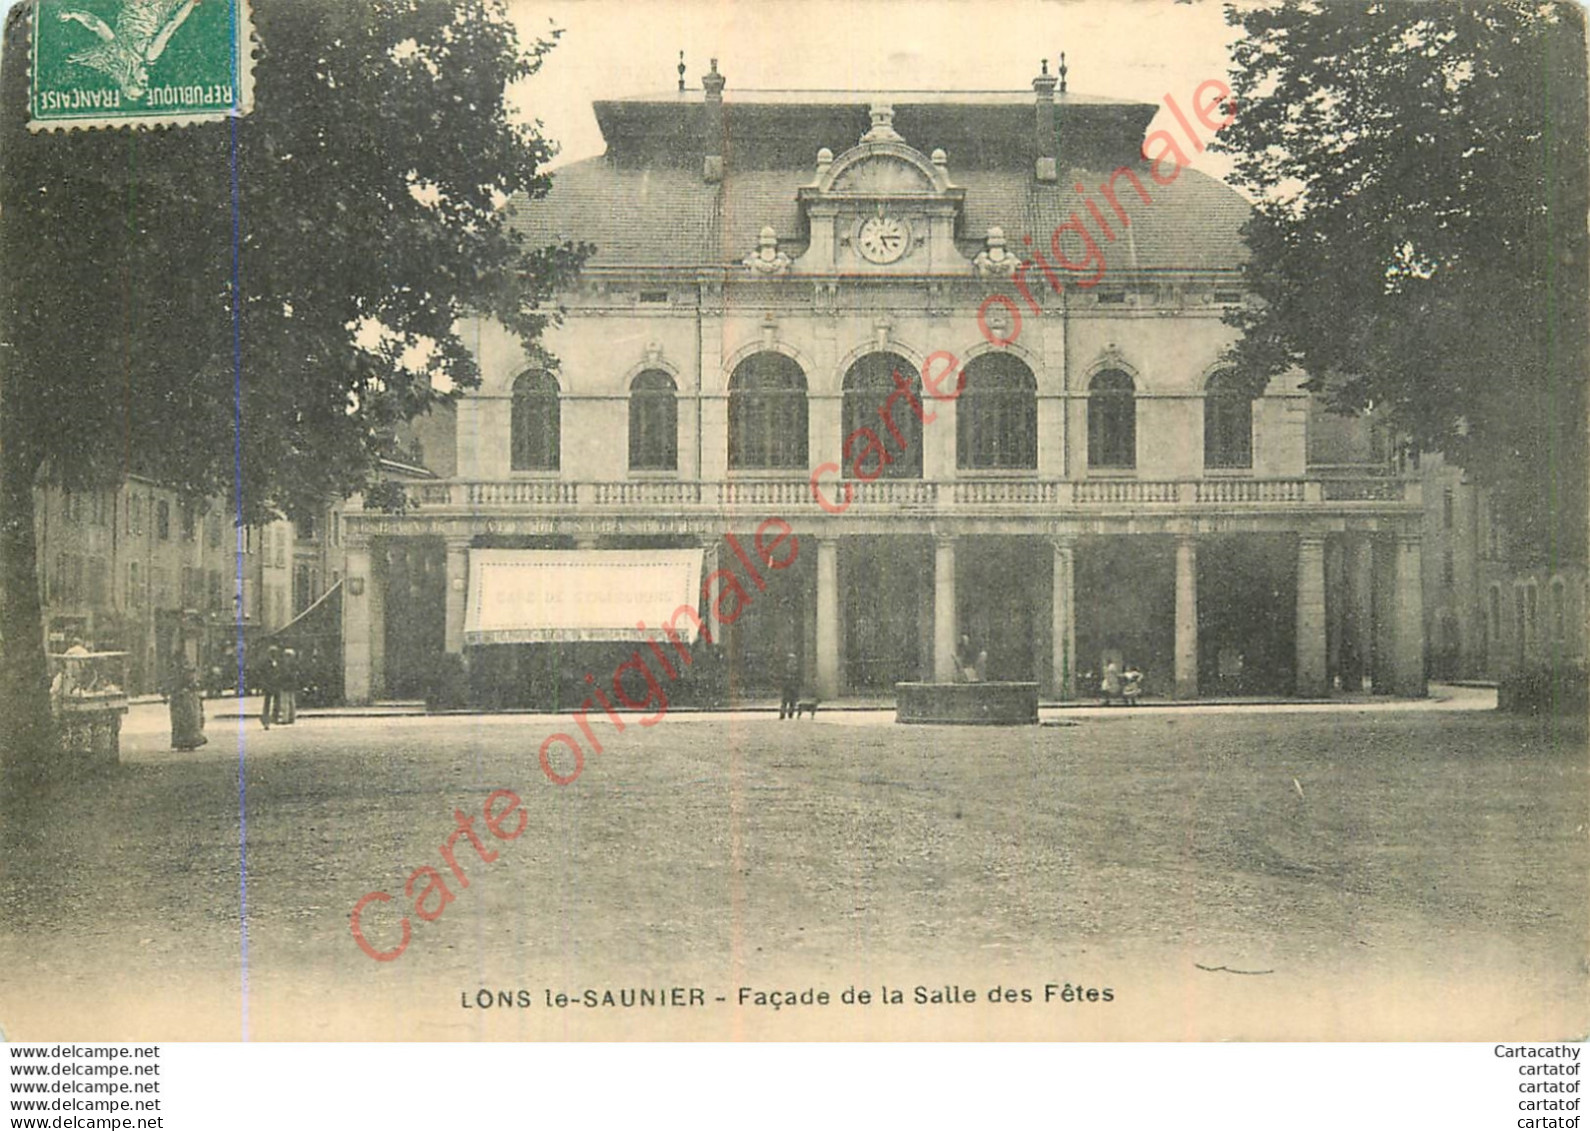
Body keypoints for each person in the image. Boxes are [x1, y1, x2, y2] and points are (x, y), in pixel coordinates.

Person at [169, 657, 208, 751]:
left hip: (188, 702)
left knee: (188, 721)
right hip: (185, 702)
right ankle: (187, 741)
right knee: (186, 721)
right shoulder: (181, 680)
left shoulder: (181, 679)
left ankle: (187, 741)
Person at [260, 645, 282, 729]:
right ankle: (266, 718)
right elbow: (263, 674)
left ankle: (275, 717)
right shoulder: (266, 662)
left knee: (277, 701)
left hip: (276, 684)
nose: (274, 654)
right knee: (267, 702)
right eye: (272, 653)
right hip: (268, 684)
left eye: (275, 653)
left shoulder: (278, 662)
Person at [280, 648, 299, 725]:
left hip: (286, 685)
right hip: (291, 685)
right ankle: (291, 717)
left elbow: (286, 675)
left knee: (286, 702)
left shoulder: (286, 666)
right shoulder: (294, 665)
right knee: (291, 702)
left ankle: (286, 718)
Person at [779, 651, 800, 720]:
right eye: (791, 659)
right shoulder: (785, 668)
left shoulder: (796, 668)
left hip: (793, 687)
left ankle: (790, 714)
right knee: (784, 701)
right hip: (787, 686)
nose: (792, 661)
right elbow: (782, 677)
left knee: (792, 701)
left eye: (793, 660)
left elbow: (798, 678)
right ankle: (782, 714)